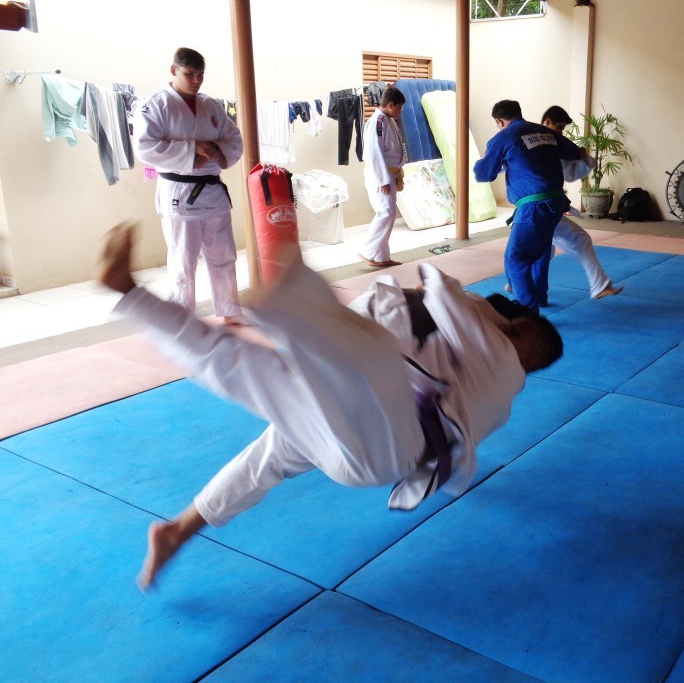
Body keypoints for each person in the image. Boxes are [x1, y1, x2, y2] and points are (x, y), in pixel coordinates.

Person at [97, 224, 564, 590]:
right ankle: (177, 530)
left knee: (372, 360)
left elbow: (440, 290)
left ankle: (292, 306)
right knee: (249, 379)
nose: (507, 334)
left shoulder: (504, 366)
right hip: (359, 433)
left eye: (517, 334)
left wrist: (485, 310)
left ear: (526, 354)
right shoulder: (479, 367)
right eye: (511, 327)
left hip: (387, 446)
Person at [134, 47, 244, 324]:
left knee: (224, 255)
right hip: (180, 193)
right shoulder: (156, 105)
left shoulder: (211, 105)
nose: (196, 80)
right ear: (174, 71)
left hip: (213, 191)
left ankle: (229, 309)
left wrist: (216, 150)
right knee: (183, 261)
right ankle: (182, 318)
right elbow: (145, 148)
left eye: (200, 75)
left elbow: (235, 139)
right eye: (189, 74)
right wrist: (193, 150)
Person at [474, 100, 582, 311]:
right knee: (540, 252)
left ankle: (528, 315)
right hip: (556, 203)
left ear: (499, 121)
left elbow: (484, 173)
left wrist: (484, 162)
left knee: (516, 259)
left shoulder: (504, 137)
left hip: (534, 206)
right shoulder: (545, 132)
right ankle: (539, 296)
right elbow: (574, 152)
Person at [539, 106, 621, 301]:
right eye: (558, 127)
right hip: (542, 206)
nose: (560, 132)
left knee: (544, 248)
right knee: (579, 239)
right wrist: (584, 159)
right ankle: (599, 285)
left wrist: (584, 158)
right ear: (548, 122)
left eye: (562, 129)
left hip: (545, 205)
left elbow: (568, 173)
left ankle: (515, 280)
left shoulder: (552, 145)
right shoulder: (543, 144)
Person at [359, 86, 407, 268]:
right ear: (390, 104)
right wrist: (383, 180)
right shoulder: (377, 122)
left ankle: (381, 256)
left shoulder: (387, 120)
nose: (400, 111)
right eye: (399, 107)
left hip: (390, 173)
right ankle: (368, 251)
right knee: (386, 213)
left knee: (388, 213)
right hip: (379, 174)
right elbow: (373, 153)